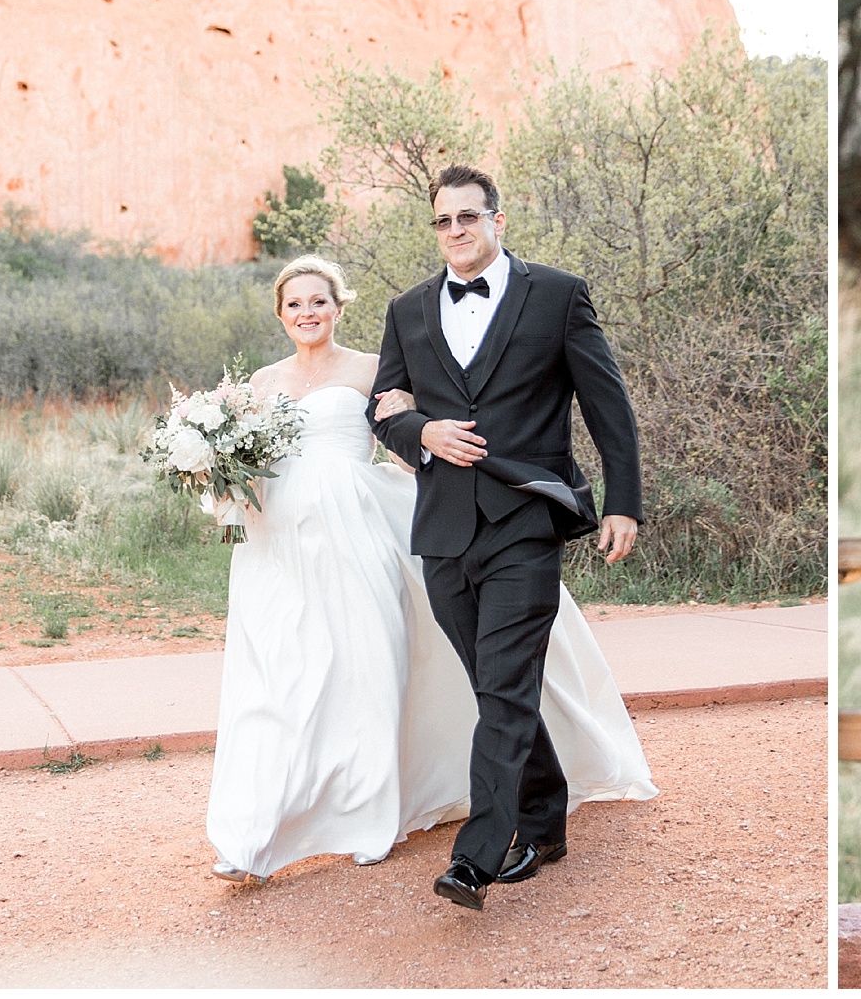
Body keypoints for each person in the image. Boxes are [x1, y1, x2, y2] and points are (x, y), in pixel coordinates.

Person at [205, 255, 655, 884]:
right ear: (279, 315)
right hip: (279, 546)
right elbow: (262, 463)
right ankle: (257, 828)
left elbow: (407, 420)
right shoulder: (259, 382)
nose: (307, 313)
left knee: (371, 672)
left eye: (318, 301)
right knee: (279, 681)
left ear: (339, 306)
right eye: (294, 304)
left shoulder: (369, 366)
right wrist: (214, 478)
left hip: (364, 534)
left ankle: (388, 823)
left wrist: (434, 448)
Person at [369, 164, 644, 911]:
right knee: (499, 689)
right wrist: (421, 429)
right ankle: (547, 819)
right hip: (445, 530)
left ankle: (479, 857)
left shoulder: (556, 295)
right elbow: (382, 408)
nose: (456, 231)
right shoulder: (409, 309)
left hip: (527, 518)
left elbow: (606, 402)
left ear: (497, 219)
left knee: (502, 685)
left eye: (468, 216)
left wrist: (625, 501)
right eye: (443, 221)